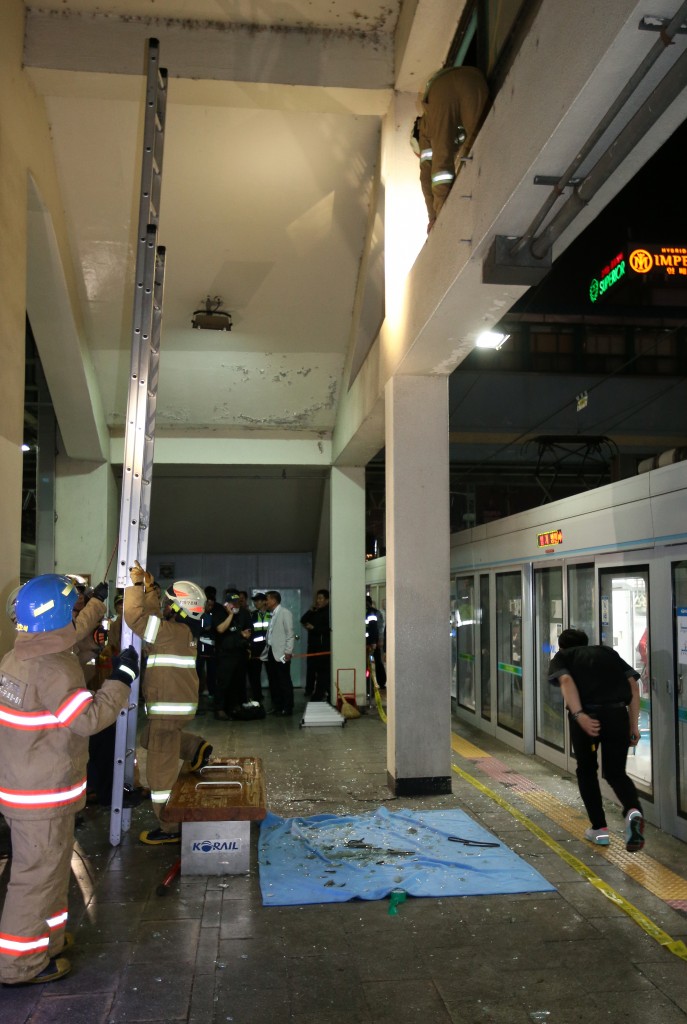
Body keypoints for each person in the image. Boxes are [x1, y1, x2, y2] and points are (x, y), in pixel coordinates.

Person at [0, 573, 138, 986]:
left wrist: (94, 605)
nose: (76, 613)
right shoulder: (55, 669)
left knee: (52, 870)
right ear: (60, 613)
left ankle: (48, 939)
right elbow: (89, 718)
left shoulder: (18, 656)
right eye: (73, 607)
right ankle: (18, 965)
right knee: (35, 878)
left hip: (26, 787)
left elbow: (65, 638)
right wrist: (123, 679)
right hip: (41, 795)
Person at [125, 561, 212, 845]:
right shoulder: (179, 632)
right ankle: (195, 747)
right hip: (177, 709)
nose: (163, 604)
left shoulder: (169, 633)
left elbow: (135, 619)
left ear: (177, 607)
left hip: (166, 712)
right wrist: (150, 589)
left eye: (167, 602)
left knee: (159, 777)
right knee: (148, 737)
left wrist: (136, 586)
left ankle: (170, 827)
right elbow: (151, 620)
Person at [548, 628, 645, 852]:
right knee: (615, 772)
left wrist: (579, 714)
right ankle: (632, 809)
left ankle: (599, 829)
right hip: (617, 715)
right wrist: (633, 725)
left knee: (587, 769)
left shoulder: (563, 657)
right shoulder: (607, 653)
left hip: (588, 717)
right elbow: (633, 684)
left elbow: (566, 681)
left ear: (562, 646)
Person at [414, 65, 488, 231]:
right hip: (473, 76)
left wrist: (439, 216)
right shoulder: (442, 122)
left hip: (441, 89)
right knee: (483, 141)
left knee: (451, 153)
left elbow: (436, 169)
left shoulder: (426, 128)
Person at [214, 587, 252, 719]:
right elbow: (220, 629)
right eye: (232, 602)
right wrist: (230, 615)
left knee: (238, 682)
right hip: (225, 654)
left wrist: (245, 635)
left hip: (240, 653)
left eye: (237, 602)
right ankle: (220, 708)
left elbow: (248, 631)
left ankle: (235, 707)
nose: (235, 604)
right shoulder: (219, 612)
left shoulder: (244, 613)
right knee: (224, 682)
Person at [262, 590, 295, 716]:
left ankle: (287, 707)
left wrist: (288, 651)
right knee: (273, 680)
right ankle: (277, 705)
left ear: (274, 600)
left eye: (267, 599)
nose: (266, 601)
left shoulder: (284, 613)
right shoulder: (272, 614)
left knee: (283, 680)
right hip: (271, 651)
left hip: (281, 653)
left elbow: (290, 634)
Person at [300, 590, 330, 701]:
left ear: (327, 600)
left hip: (323, 647)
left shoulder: (328, 612)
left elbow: (328, 629)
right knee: (311, 669)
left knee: (322, 671)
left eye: (321, 598)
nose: (318, 600)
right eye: (317, 598)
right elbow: (303, 620)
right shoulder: (315, 611)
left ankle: (320, 693)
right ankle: (309, 689)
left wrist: (314, 628)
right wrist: (311, 610)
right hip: (312, 645)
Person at [248, 592, 270, 703]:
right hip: (255, 649)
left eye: (258, 601)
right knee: (254, 674)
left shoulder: (271, 614)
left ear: (264, 601)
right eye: (254, 601)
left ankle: (275, 696)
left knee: (272, 673)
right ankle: (257, 695)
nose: (255, 603)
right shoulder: (252, 615)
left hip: (268, 648)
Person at [365, 594, 386, 690]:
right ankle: (373, 684)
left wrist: (380, 641)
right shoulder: (373, 612)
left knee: (378, 663)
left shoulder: (375, 613)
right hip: (372, 642)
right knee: (376, 663)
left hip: (375, 643)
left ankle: (380, 682)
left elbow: (380, 628)